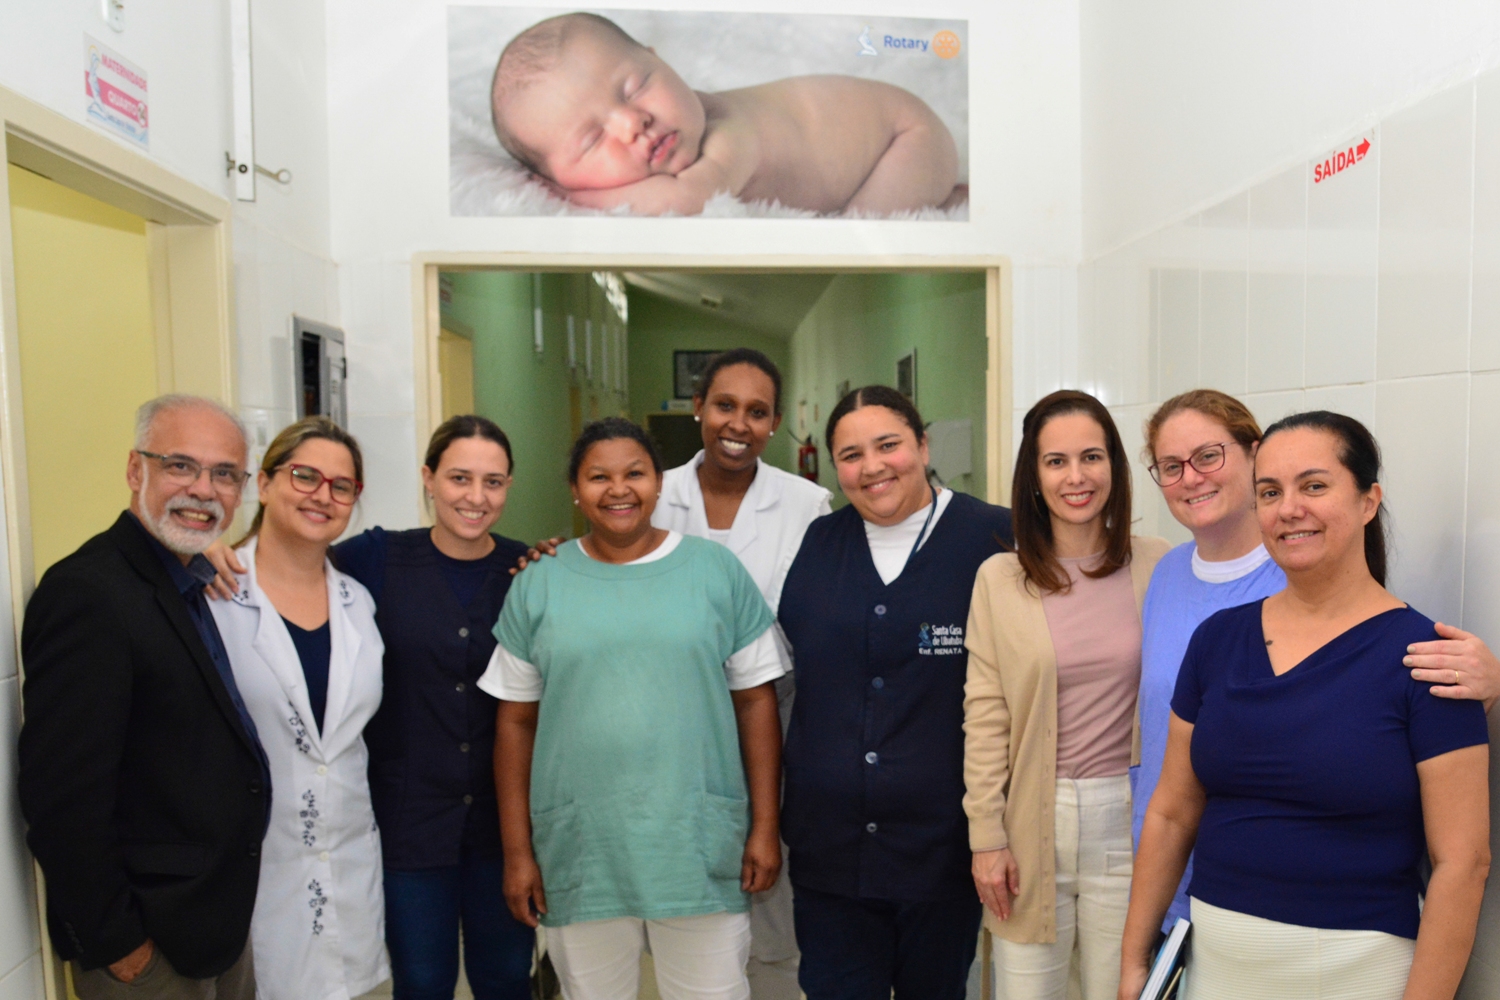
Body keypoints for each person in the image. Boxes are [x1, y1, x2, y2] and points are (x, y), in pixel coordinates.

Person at [1120, 411, 1491, 1000]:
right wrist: (1135, 957)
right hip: (1215, 962)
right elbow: (1171, 812)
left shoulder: (1427, 660)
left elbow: (1463, 863)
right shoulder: (1217, 641)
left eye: (1314, 486)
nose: (1289, 508)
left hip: (1358, 969)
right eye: (1270, 492)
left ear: (1369, 500)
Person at [208, 415, 538, 1000]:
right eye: (459, 477)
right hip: (408, 827)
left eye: (493, 481)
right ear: (428, 480)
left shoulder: (530, 572)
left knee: (507, 978)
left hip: (503, 828)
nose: (475, 496)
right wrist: (210, 550)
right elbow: (292, 552)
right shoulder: (375, 560)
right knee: (422, 981)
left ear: (510, 486)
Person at [483, 417, 785, 1000]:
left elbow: (756, 703)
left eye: (635, 474)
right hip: (582, 852)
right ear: (575, 488)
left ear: (658, 483)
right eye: (598, 476)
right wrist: (519, 853)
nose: (618, 490)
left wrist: (765, 827)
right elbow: (515, 722)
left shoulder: (714, 571)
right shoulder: (539, 583)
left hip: (694, 845)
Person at [18, 394, 265, 999]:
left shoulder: (184, 579)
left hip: (213, 926)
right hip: (148, 948)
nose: (204, 490)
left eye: (225, 474)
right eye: (181, 465)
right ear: (136, 471)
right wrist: (119, 947)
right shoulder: (89, 593)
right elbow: (61, 797)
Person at [776, 386, 1013, 1000]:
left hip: (942, 852)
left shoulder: (994, 538)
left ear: (923, 444)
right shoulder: (817, 544)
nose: (872, 466)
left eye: (889, 445)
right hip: (830, 849)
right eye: (851, 454)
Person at [963, 390, 1168, 1000]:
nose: (1076, 477)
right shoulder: (999, 578)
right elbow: (985, 715)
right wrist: (986, 837)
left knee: (1122, 989)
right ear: (1033, 475)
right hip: (1031, 818)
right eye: (1056, 461)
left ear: (1116, 467)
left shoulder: (1160, 564)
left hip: (1129, 820)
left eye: (1091, 457)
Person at [656, 348, 832, 1000]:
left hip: (776, 718)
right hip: (672, 722)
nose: (739, 423)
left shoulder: (808, 504)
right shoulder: (651, 494)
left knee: (772, 890)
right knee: (688, 901)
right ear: (698, 406)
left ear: (776, 422)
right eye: (725, 405)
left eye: (757, 412)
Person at [209, 417, 389, 1000]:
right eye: (305, 476)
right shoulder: (211, 596)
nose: (323, 496)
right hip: (253, 872)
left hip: (348, 863)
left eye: (342, 486)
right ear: (263, 484)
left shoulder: (357, 602)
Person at [490, 13, 962, 216]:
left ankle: (939, 192)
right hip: (895, 133)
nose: (633, 123)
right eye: (594, 140)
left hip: (905, 136)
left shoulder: (729, 132)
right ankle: (940, 192)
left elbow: (686, 198)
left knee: (865, 226)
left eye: (636, 88)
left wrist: (580, 198)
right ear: (555, 173)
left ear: (663, 61)